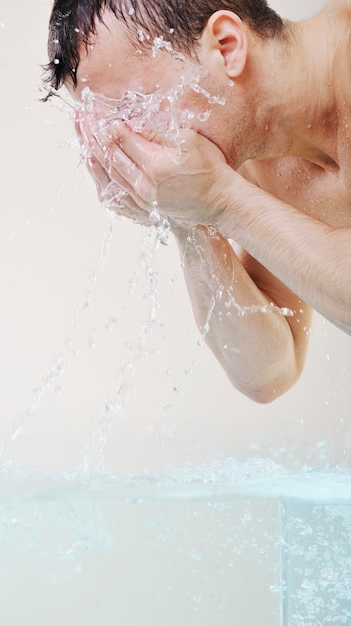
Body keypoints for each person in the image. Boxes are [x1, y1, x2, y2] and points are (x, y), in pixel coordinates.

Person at [43, 0, 351, 403]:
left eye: (137, 108)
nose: (137, 139)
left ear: (226, 46)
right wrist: (186, 214)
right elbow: (269, 372)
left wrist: (221, 199)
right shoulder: (259, 154)